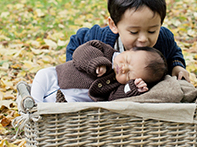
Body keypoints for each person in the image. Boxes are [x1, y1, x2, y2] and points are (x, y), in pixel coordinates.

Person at [65, 0, 191, 82]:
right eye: (134, 32)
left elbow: (173, 53)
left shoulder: (163, 39)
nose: (143, 39)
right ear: (114, 25)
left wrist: (177, 66)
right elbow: (77, 41)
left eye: (152, 31)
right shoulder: (99, 38)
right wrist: (75, 71)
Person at [31, 40, 168, 103]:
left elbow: (114, 98)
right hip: (57, 77)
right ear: (127, 50)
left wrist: (131, 88)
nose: (124, 68)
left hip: (69, 99)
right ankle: (33, 106)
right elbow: (82, 51)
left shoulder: (117, 86)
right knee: (42, 75)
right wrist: (96, 61)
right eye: (127, 60)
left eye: (129, 75)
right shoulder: (106, 53)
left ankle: (44, 110)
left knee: (71, 108)